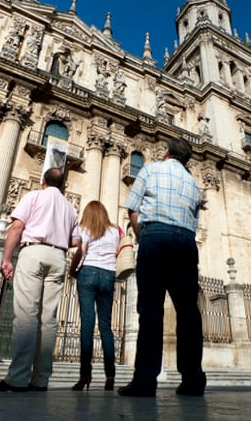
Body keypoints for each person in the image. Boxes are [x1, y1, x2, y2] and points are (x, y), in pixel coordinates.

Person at [118, 137, 206, 398]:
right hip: (187, 244)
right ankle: (192, 380)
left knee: (151, 310)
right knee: (189, 312)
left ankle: (145, 381)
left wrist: (142, 235)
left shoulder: (150, 169)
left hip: (155, 236)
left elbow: (132, 209)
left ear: (166, 152)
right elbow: (193, 219)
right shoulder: (194, 184)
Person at [0, 167, 81, 392]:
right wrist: (56, 232)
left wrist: (7, 258)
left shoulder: (34, 196)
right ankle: (40, 379)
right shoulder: (69, 207)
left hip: (34, 252)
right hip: (58, 257)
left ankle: (17, 378)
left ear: (43, 181)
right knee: (48, 319)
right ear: (62, 184)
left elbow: (17, 226)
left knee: (26, 315)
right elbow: (75, 241)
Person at [69, 201, 120, 391]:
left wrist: (72, 270)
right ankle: (110, 376)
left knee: (87, 326)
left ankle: (85, 376)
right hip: (108, 275)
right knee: (106, 327)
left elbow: (81, 252)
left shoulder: (86, 228)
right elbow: (116, 253)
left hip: (88, 273)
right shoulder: (115, 231)